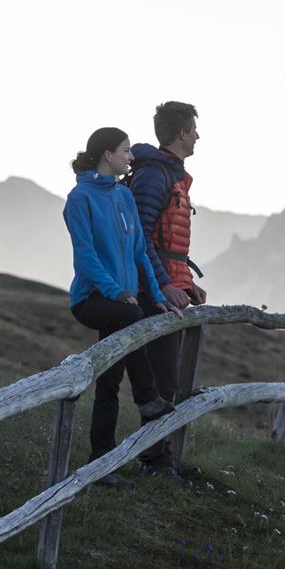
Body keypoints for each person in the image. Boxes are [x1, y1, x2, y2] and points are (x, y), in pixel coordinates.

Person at [63, 127, 183, 489]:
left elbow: (140, 252)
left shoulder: (123, 196)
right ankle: (147, 398)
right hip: (92, 300)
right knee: (132, 318)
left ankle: (99, 466)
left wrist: (159, 295)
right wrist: (116, 292)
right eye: (126, 151)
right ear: (107, 155)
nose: (131, 157)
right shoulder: (79, 198)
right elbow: (85, 256)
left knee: (110, 383)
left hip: (124, 299)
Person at [129, 101, 207, 486]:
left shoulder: (172, 176)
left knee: (168, 380)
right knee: (162, 381)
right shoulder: (154, 176)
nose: (198, 136)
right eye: (194, 129)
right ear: (181, 133)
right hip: (153, 291)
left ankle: (163, 459)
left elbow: (167, 239)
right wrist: (162, 284)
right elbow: (141, 236)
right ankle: (154, 462)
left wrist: (186, 281)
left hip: (170, 286)